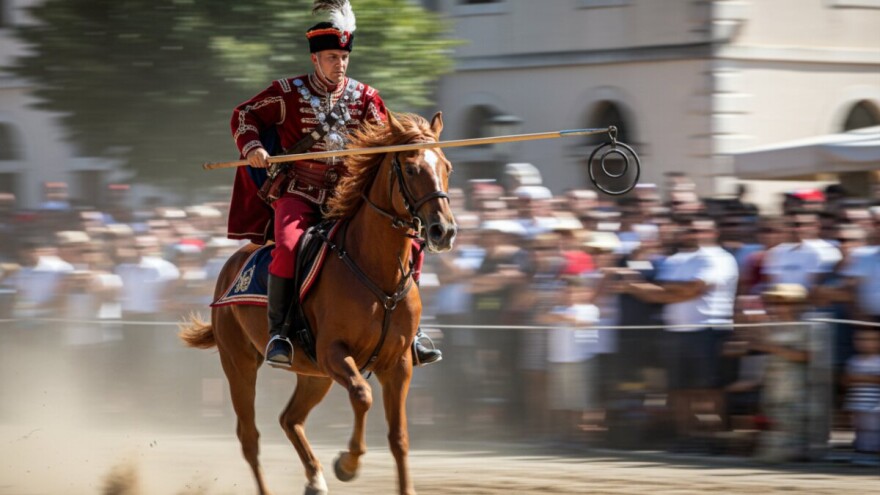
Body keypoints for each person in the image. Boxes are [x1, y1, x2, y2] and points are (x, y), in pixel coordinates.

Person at [228, 0, 440, 367]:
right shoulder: (287, 93)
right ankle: (279, 331)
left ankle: (413, 331)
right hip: (299, 193)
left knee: (410, 240)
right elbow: (244, 115)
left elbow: (387, 141)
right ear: (315, 59)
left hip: (348, 196)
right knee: (290, 246)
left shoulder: (366, 98)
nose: (338, 64)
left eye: (343, 57)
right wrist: (254, 147)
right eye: (330, 57)